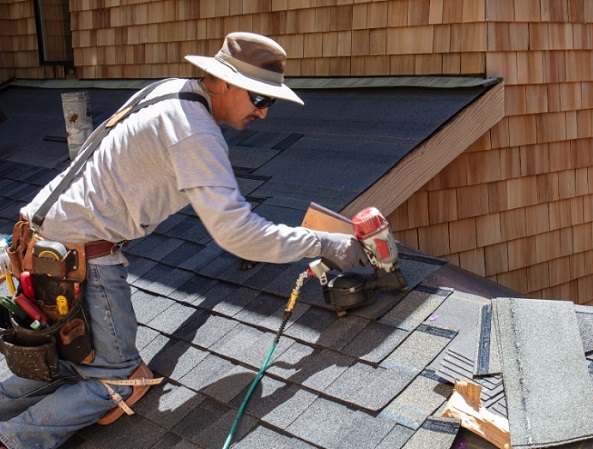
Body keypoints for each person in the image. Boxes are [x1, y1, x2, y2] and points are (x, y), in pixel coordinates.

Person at [0, 32, 368, 449]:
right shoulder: (194, 132)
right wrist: (325, 244)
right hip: (78, 255)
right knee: (123, 378)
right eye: (260, 99)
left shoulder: (171, 91)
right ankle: (14, 440)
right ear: (224, 82)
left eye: (271, 102)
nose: (264, 114)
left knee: (68, 364)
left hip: (38, 241)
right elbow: (239, 234)